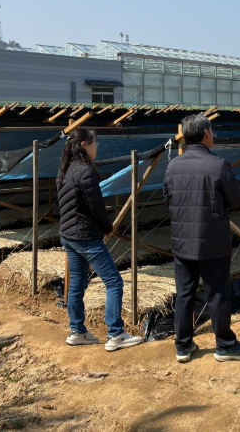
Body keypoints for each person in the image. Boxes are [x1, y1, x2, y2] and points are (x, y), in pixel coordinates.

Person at [163, 114, 240, 363]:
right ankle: (225, 344)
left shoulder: (173, 166)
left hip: (182, 242)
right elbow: (236, 199)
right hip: (213, 242)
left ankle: (183, 345)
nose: (213, 135)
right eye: (212, 131)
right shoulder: (218, 165)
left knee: (185, 294)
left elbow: (167, 199)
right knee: (217, 294)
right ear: (205, 134)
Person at [57, 128, 143, 351]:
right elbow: (97, 207)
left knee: (76, 284)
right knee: (114, 282)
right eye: (95, 143)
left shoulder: (66, 169)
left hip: (69, 236)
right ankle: (116, 334)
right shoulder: (85, 171)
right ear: (84, 144)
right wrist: (108, 227)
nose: (97, 146)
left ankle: (78, 331)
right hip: (85, 236)